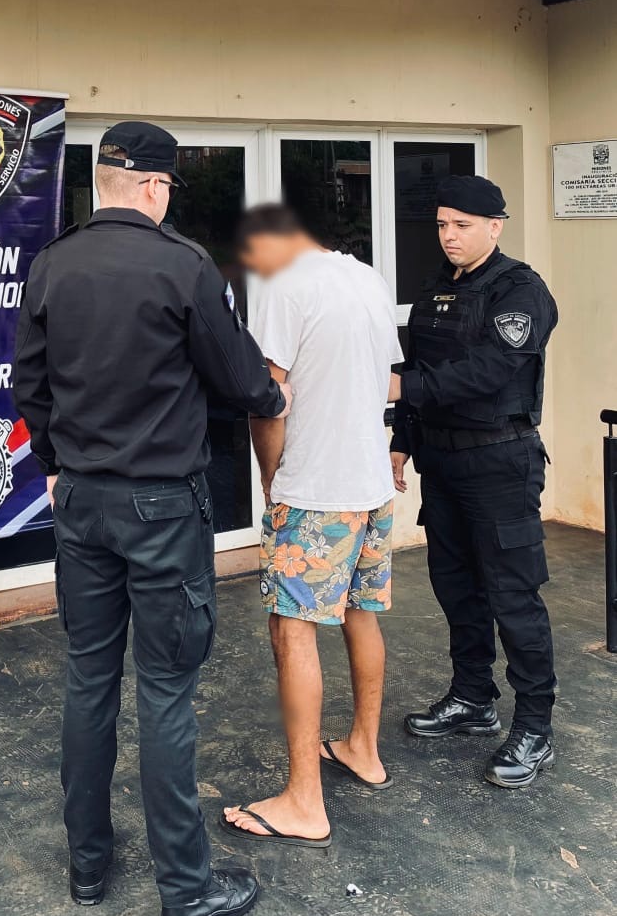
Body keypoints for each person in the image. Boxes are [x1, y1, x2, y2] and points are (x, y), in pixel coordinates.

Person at [12, 121, 291, 916]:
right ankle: (186, 892)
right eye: (167, 187)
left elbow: (29, 383)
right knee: (165, 690)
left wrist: (54, 464)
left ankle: (87, 866)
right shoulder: (182, 264)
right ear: (153, 186)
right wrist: (273, 399)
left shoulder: (53, 262)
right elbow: (238, 377)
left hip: (81, 504)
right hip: (161, 508)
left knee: (88, 679)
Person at [220, 205, 403, 849]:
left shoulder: (284, 285)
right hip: (370, 485)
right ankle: (363, 749)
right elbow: (387, 382)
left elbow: (267, 398)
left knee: (292, 630)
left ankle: (304, 800)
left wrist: (272, 480)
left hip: (316, 489)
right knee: (360, 613)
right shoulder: (369, 280)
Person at [391, 175, 558, 789]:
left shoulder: (521, 291)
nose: (449, 236)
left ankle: (535, 727)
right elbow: (419, 364)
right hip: (442, 462)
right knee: (457, 588)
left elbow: (490, 370)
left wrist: (404, 389)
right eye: (442, 224)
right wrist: (402, 440)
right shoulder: (437, 287)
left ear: (495, 226)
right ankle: (472, 698)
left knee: (512, 595)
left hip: (499, 463)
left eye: (461, 225)